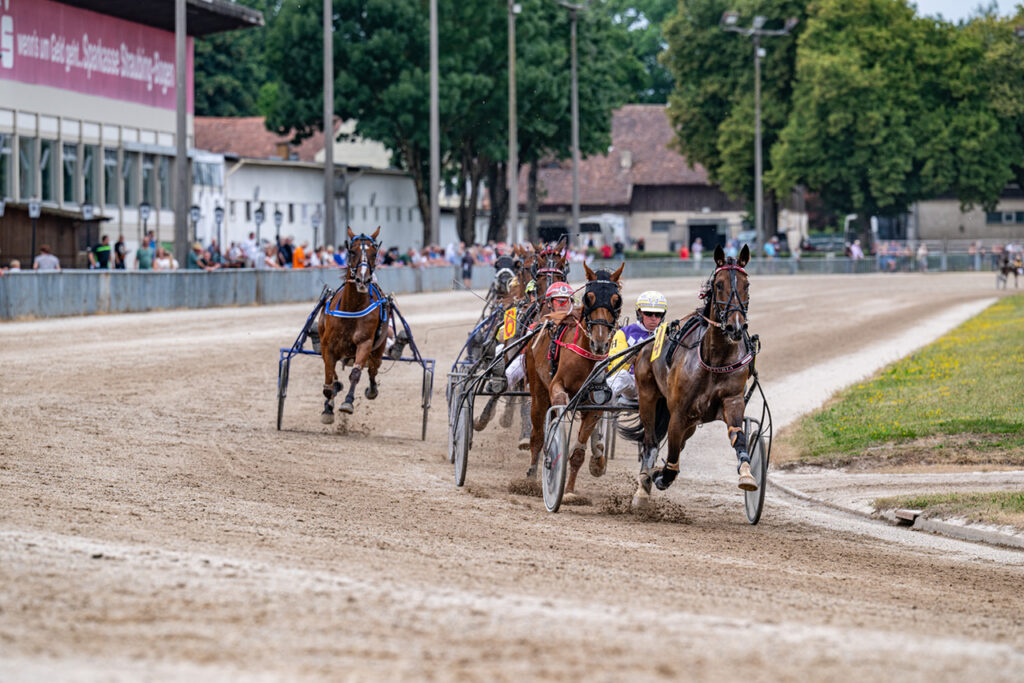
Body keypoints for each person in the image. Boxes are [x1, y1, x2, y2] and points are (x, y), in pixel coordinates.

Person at [504, 281, 575, 388]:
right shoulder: (538, 324)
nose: (562, 306)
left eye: (566, 302)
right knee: (515, 366)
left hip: (570, 363)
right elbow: (526, 350)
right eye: (558, 302)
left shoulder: (578, 324)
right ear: (550, 304)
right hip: (538, 361)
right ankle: (503, 381)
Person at [607, 291, 667, 404]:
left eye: (658, 314)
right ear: (640, 313)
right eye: (649, 313)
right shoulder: (624, 333)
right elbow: (614, 368)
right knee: (622, 376)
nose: (653, 318)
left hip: (661, 385)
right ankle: (604, 397)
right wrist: (628, 361)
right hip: (633, 384)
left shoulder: (668, 335)